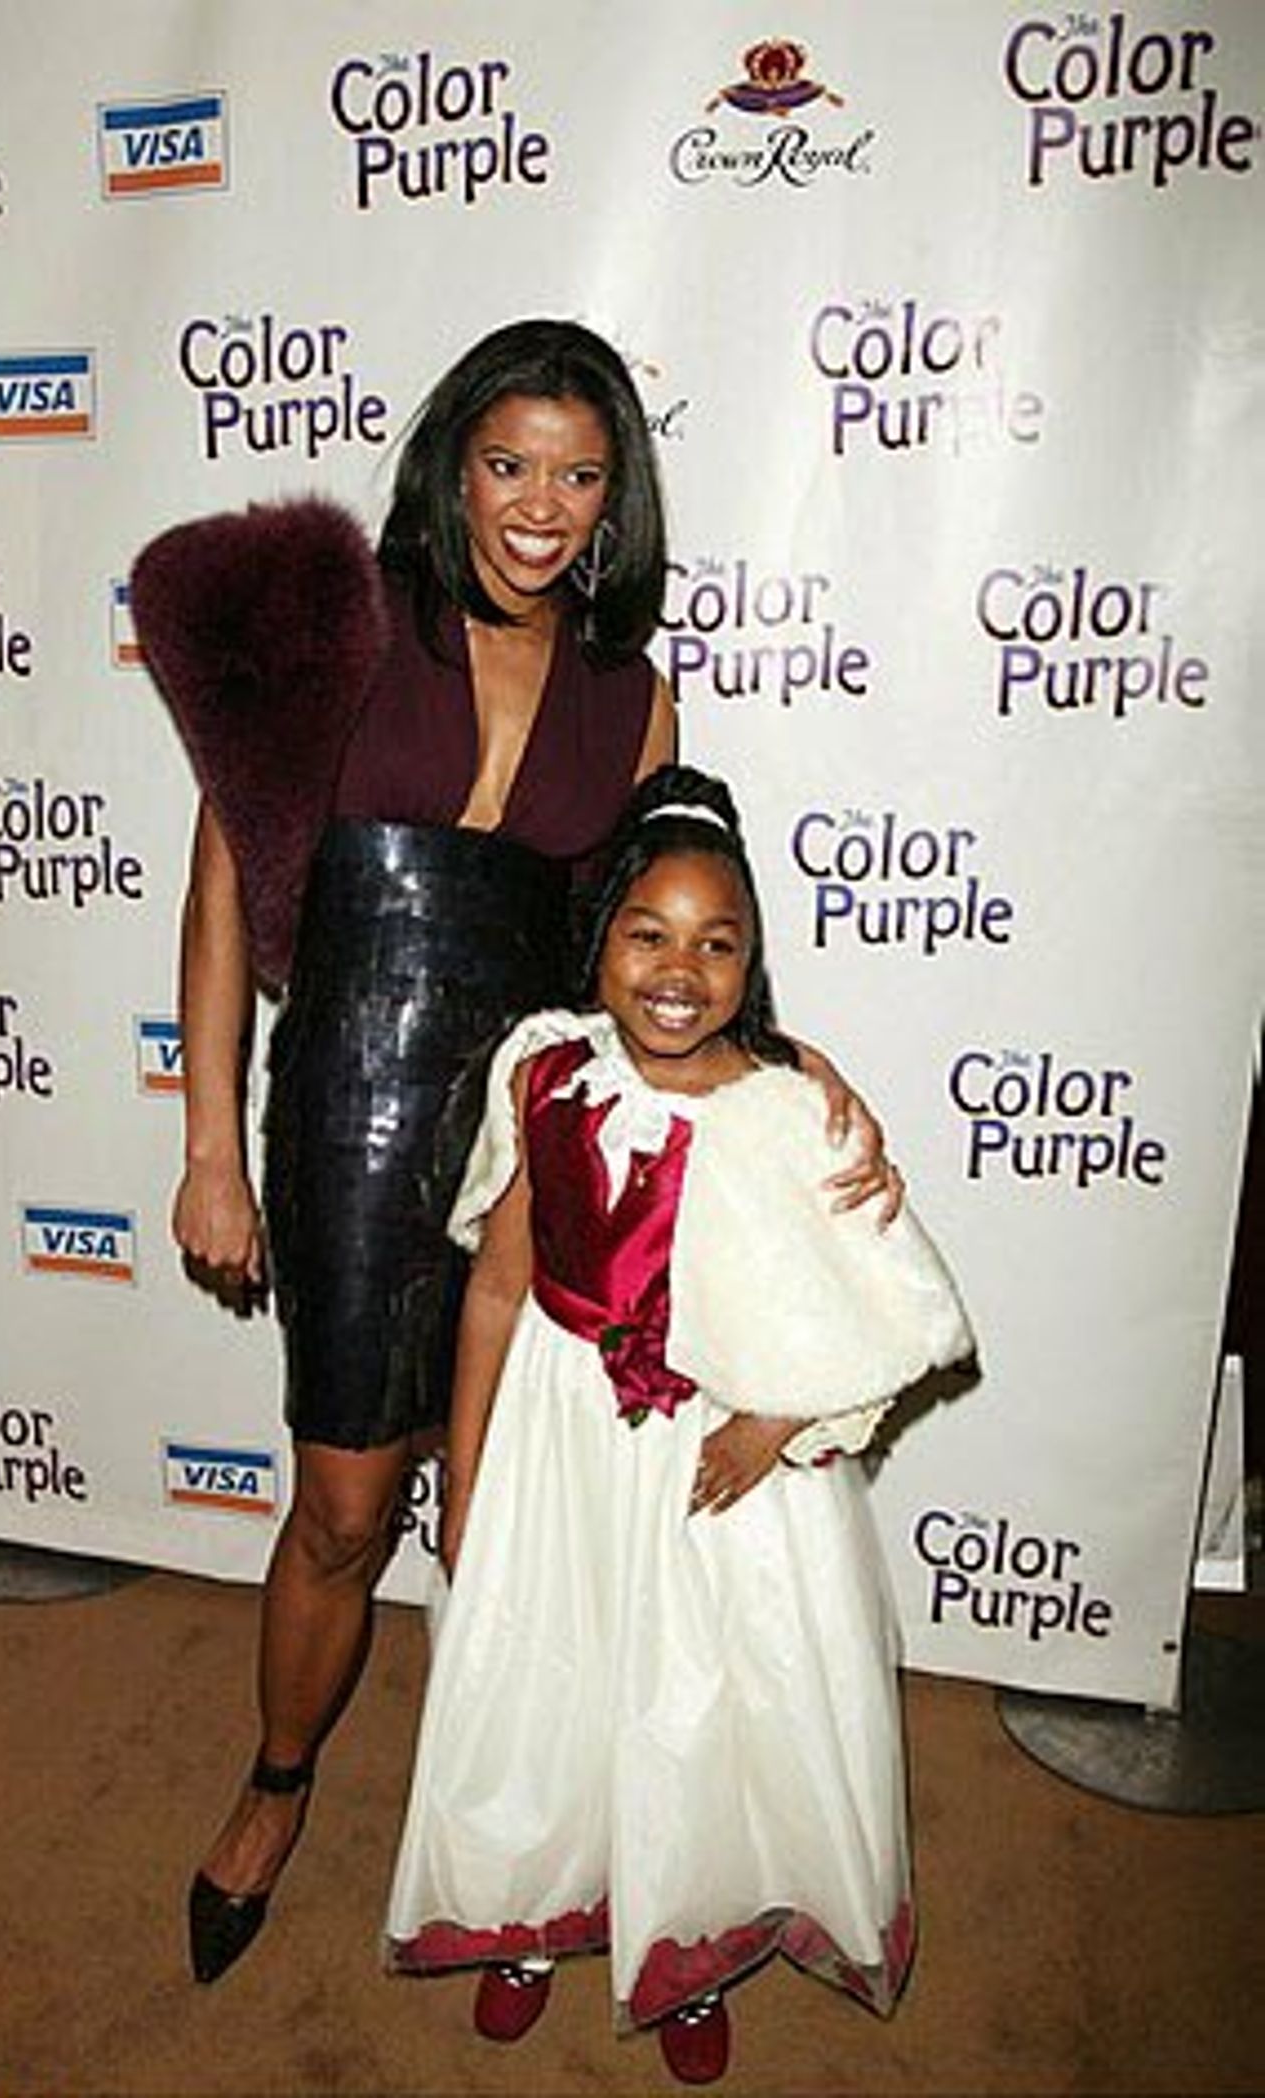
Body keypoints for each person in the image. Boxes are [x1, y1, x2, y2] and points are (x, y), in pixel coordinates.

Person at [130, 320, 900, 1988]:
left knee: (537, 1496)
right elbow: (219, 893)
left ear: (617, 497)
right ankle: (278, 1777)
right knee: (344, 1500)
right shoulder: (347, 625)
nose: (539, 506)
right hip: (347, 1102)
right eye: (507, 464)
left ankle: (528, 1798)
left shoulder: (633, 694)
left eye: (578, 473)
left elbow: (662, 941)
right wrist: (210, 1146)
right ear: (453, 467)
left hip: (537, 1133)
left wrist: (789, 1056)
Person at [384, 764, 974, 2085]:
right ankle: (535, 1903)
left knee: (696, 1698)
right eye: (649, 933)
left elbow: (894, 1309)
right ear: (602, 940)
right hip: (554, 1436)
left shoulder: (788, 1108)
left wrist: (780, 1422)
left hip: (714, 1467)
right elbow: (496, 1287)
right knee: (550, 1671)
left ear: (751, 964)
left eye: (717, 944)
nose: (678, 970)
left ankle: (690, 1931)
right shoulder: (542, 1071)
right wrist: (467, 1479)